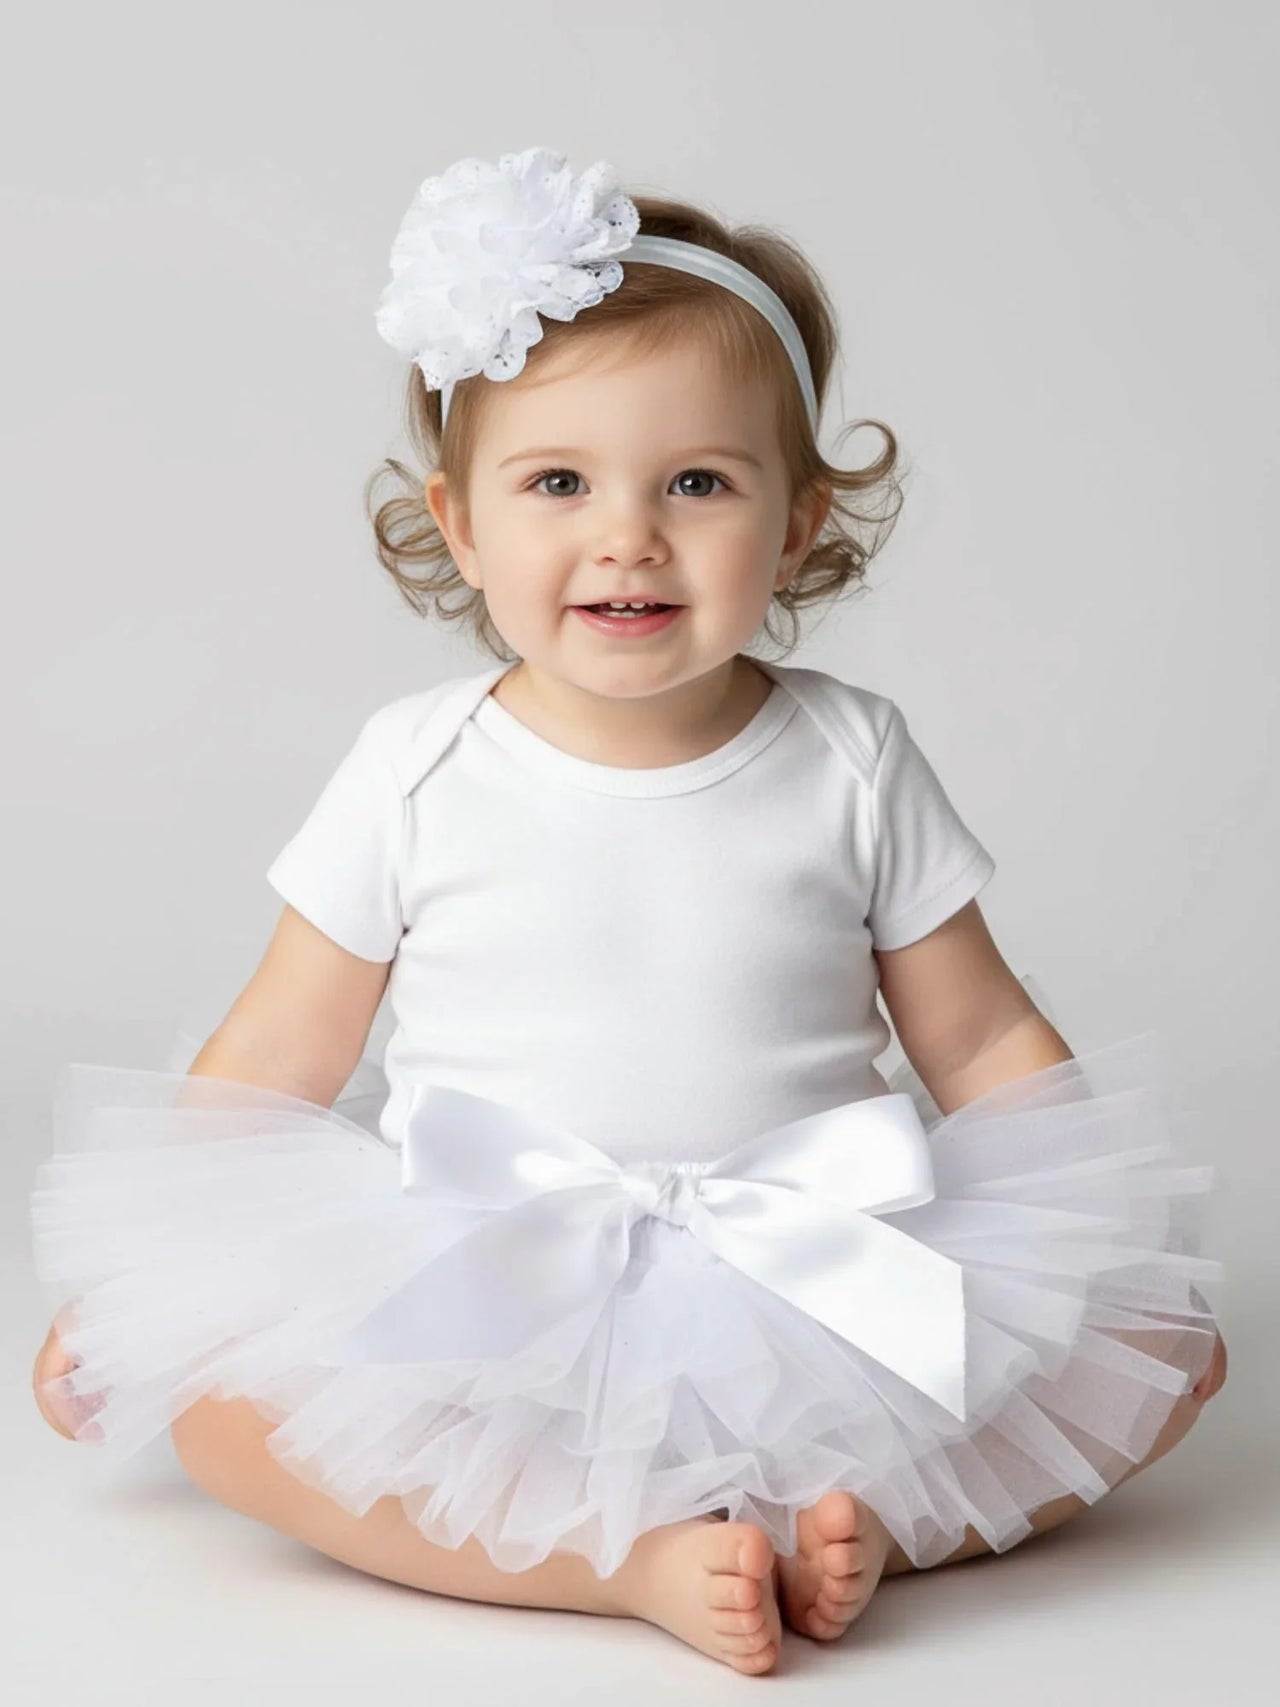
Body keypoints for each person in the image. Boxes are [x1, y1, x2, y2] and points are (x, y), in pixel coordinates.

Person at [29, 145, 1227, 1677]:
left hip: (811, 1255)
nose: (627, 536)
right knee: (226, 1420)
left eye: (699, 484)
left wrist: (1110, 1269)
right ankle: (635, 1568)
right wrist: (145, 1288)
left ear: (796, 525)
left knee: (1164, 1374)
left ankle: (834, 1530)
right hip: (485, 1266)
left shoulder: (849, 755)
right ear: (461, 527)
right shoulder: (418, 766)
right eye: (558, 484)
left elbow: (980, 1030)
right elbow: (278, 1044)